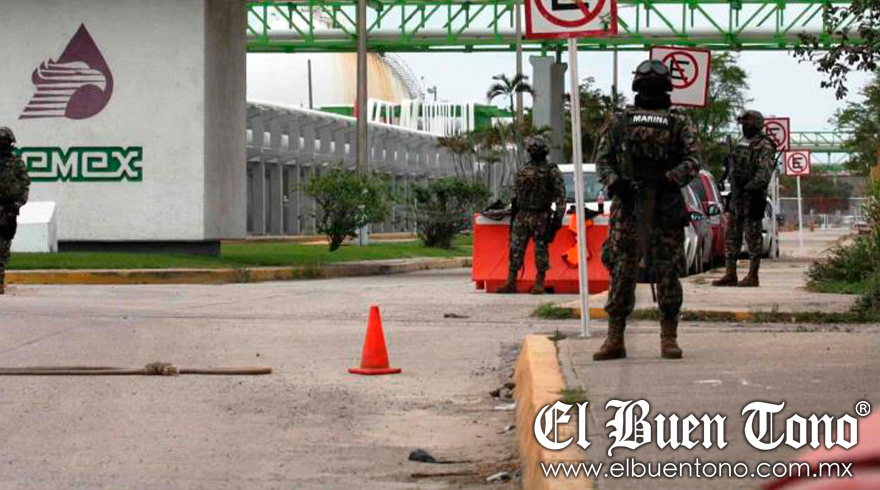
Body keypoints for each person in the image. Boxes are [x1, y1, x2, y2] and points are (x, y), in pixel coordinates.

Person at [593, 60, 700, 360]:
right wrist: (617, 183)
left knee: (667, 272)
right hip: (628, 206)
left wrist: (669, 179)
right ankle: (615, 338)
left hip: (665, 206)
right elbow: (602, 160)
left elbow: (693, 160)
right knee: (621, 271)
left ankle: (669, 337)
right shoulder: (619, 121)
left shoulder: (679, 122)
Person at [712, 110, 776, 288]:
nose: (744, 126)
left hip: (753, 196)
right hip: (737, 196)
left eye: (747, 123)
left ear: (756, 124)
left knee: (753, 237)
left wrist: (749, 187)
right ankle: (730, 274)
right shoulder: (741, 142)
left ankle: (752, 275)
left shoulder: (764, 145)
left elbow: (764, 174)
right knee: (731, 236)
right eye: (743, 123)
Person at [497, 137, 566, 294]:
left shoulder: (551, 170)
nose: (534, 151)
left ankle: (539, 282)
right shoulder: (524, 169)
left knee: (540, 249)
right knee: (515, 247)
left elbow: (561, 197)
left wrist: (557, 219)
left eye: (537, 149)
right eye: (532, 148)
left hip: (541, 215)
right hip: (522, 214)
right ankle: (511, 281)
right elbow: (517, 194)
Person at [0, 127, 31, 295]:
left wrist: (18, 203)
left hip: (8, 210)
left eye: (4, 142)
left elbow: (25, 184)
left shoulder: (17, 163)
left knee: (3, 247)